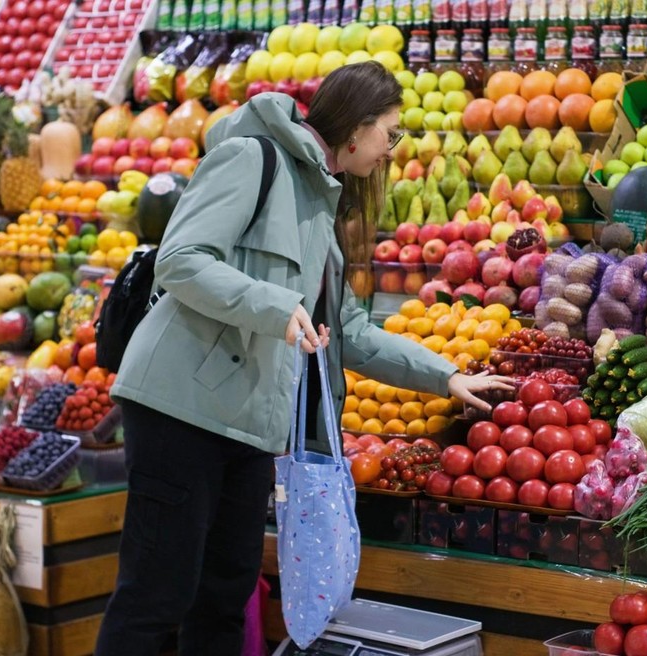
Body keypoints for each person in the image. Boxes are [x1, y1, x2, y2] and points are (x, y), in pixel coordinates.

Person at [94, 61, 514, 656]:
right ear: (354, 126)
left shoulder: (324, 203)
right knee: (156, 594)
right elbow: (182, 259)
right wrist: (271, 303)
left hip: (249, 424)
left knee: (225, 592)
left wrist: (445, 376)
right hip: (180, 410)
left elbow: (346, 331)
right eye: (388, 133)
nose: (392, 150)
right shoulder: (252, 160)